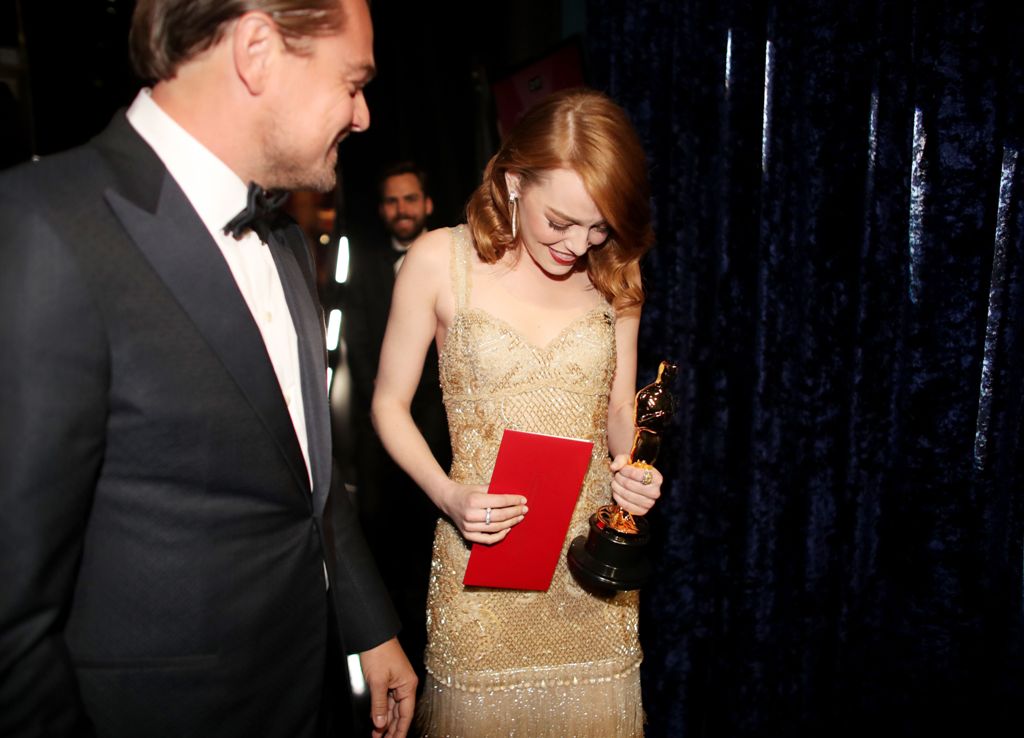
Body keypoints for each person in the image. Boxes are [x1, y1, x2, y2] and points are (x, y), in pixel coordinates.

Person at [0, 1, 417, 736]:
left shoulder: (285, 240)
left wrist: (369, 624)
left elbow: (303, 479)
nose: (363, 116)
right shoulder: (45, 227)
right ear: (256, 50)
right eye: (352, 82)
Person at [371, 87, 665, 737]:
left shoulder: (617, 273)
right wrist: (447, 494)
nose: (578, 245)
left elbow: (618, 406)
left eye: (598, 227)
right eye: (559, 222)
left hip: (593, 576)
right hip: (483, 560)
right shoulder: (437, 261)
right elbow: (388, 405)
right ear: (511, 182)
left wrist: (632, 465)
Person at [343, 161, 450, 683]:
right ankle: (390, 650)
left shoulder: (455, 262)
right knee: (383, 545)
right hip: (378, 433)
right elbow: (359, 349)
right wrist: (382, 413)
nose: (401, 209)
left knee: (434, 543)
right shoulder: (362, 264)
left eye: (410, 199)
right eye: (392, 201)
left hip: (445, 433)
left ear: (427, 204)